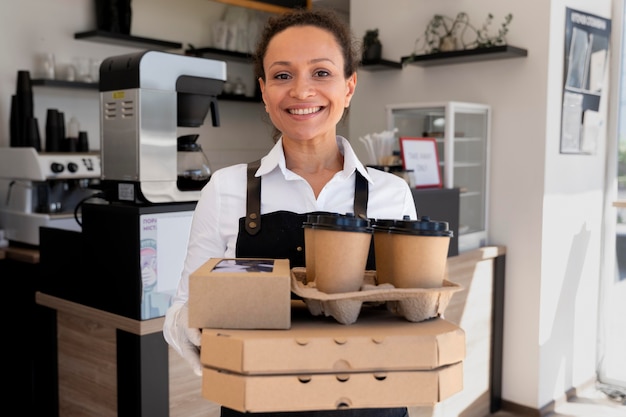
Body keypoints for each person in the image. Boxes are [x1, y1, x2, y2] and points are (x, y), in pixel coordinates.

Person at [163, 8, 417, 417]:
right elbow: (181, 309)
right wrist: (198, 323)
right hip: (259, 407)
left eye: (321, 73)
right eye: (283, 75)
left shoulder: (393, 194)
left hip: (371, 406)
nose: (301, 91)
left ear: (349, 86)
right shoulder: (226, 190)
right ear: (263, 91)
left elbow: (407, 310)